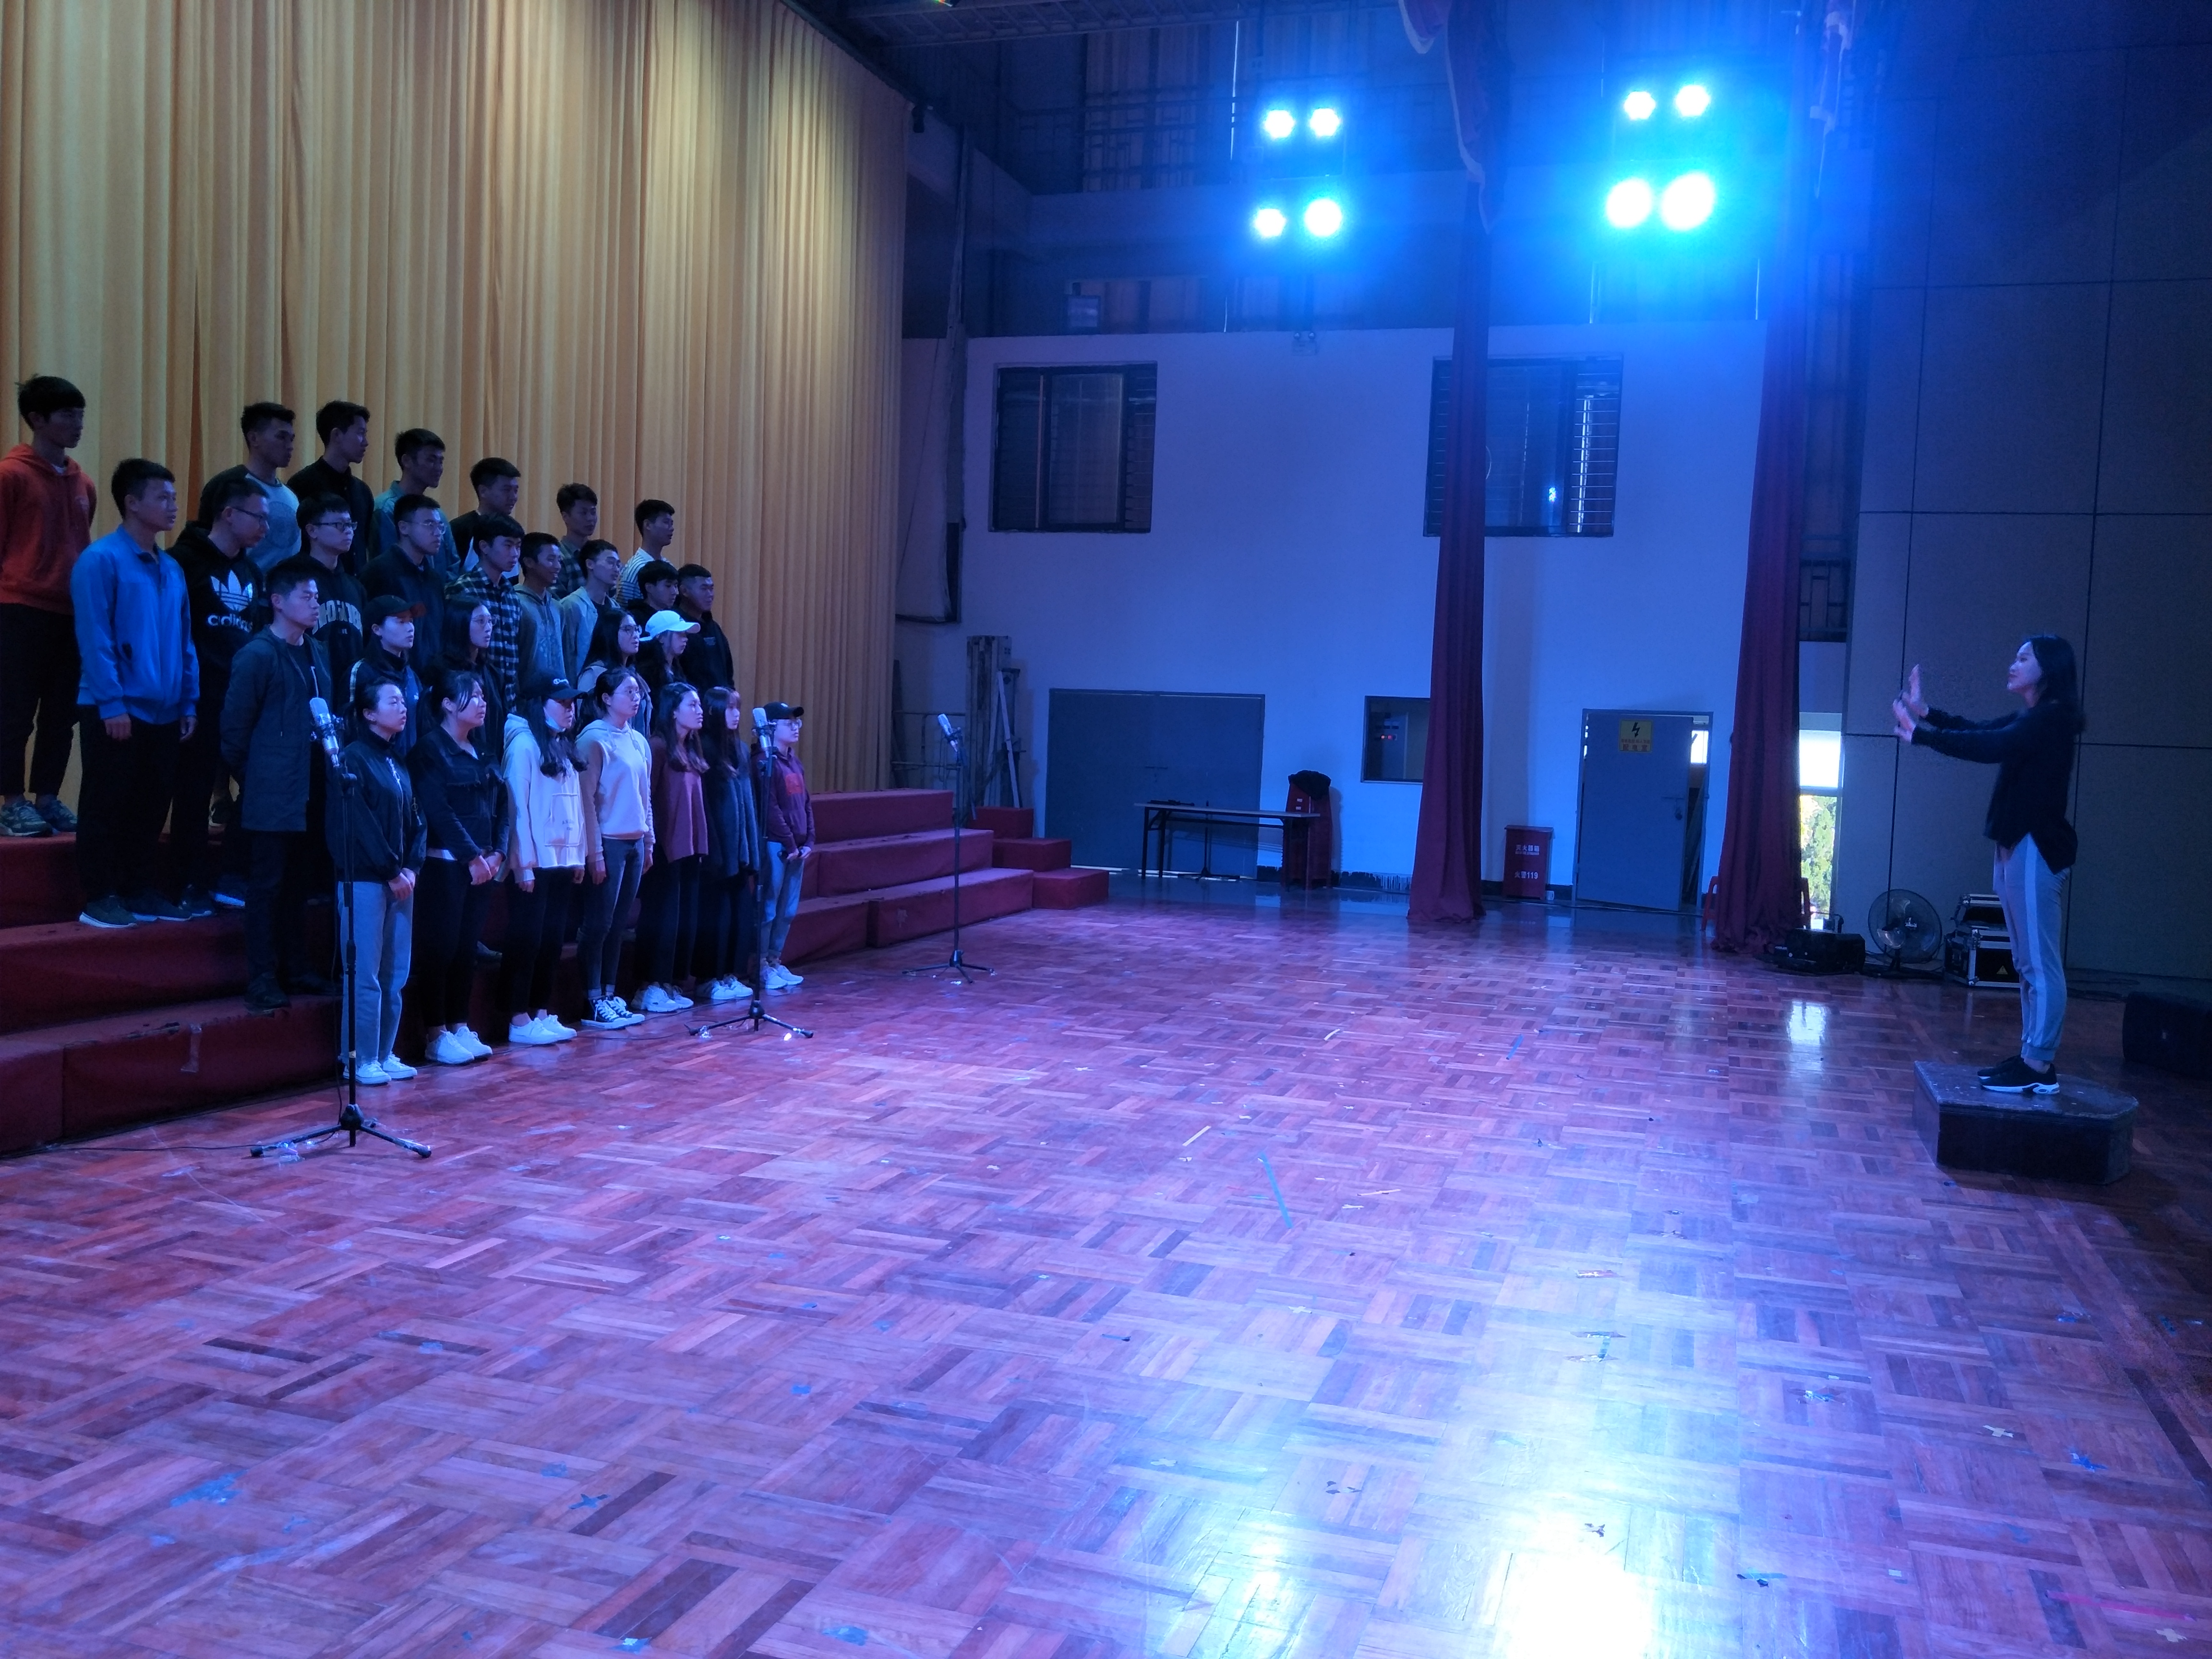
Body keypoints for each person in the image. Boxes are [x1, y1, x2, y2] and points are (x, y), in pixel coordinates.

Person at [1894, 640, 2085, 1095]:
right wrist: (1927, 713)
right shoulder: (2033, 717)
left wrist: (1923, 735)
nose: (2013, 664)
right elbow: (1981, 729)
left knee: (2040, 964)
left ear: (2048, 668)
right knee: (2025, 962)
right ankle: (2032, 1056)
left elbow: (1989, 745)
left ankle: (2039, 1064)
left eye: (2023, 658)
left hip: (2037, 845)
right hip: (2015, 844)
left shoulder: (2052, 718)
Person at [72, 459, 199, 929]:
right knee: (107, 803)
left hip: (165, 711)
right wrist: (112, 703)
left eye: (174, 498)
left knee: (150, 805)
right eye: (162, 498)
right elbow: (95, 638)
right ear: (132, 503)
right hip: (115, 708)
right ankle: (99, 895)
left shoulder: (173, 568)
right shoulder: (101, 560)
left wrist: (188, 700)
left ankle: (138, 888)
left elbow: (184, 640)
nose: (173, 506)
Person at [221, 558, 335, 1006]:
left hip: (313, 785)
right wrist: (257, 778)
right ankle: (262, 977)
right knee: (267, 885)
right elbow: (234, 731)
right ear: (278, 602)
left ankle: (297, 967)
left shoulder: (318, 651)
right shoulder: (257, 655)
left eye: (318, 597)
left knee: (300, 885)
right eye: (307, 597)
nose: (316, 604)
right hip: (272, 790)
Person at [1, 374, 99, 839]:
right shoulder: (11, 476)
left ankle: (47, 797)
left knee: (62, 715)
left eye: (80, 415)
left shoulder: (84, 484)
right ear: (37, 419)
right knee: (15, 710)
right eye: (67, 415)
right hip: (19, 608)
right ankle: (11, 802)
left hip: (70, 614)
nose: (78, 424)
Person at [168, 473, 267, 911]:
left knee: (258, 786)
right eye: (258, 517)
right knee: (192, 792)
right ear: (228, 514)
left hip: (241, 699)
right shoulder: (183, 563)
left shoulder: (252, 572)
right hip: (197, 695)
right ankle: (185, 882)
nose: (265, 527)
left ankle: (232, 876)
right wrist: (185, 696)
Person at [328, 674, 425, 1086]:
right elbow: (358, 825)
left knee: (394, 974)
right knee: (364, 975)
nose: (403, 708)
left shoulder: (397, 761)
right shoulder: (352, 759)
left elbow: (417, 820)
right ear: (369, 713)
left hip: (402, 881)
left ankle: (384, 1053)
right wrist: (390, 871)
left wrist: (412, 868)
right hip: (367, 881)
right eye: (393, 702)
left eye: (404, 702)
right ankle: (359, 1058)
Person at [409, 666, 506, 1065]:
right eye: (473, 696)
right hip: (446, 866)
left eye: (483, 696)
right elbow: (438, 811)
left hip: (484, 866)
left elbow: (504, 805)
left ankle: (459, 1024)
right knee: (441, 948)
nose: (483, 703)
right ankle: (436, 1033)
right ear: (448, 704)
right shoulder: (429, 750)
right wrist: (472, 856)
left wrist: (498, 852)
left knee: (467, 949)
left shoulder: (483, 750)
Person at [502, 676, 587, 1046]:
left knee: (552, 940)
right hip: (534, 860)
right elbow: (517, 806)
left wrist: (578, 854)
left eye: (572, 703)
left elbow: (575, 805)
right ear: (539, 704)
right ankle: (517, 1016)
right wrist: (522, 862)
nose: (570, 709)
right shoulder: (523, 744)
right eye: (562, 702)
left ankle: (540, 1010)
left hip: (562, 859)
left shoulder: (562, 743)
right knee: (528, 939)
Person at [576, 666, 654, 1031]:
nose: (636, 698)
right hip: (608, 841)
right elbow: (587, 801)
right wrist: (595, 853)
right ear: (607, 698)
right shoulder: (593, 739)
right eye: (629, 692)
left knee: (619, 923)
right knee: (599, 923)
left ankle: (609, 993)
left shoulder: (638, 740)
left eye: (638, 692)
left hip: (635, 841)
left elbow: (644, 796)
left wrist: (649, 840)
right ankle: (592, 999)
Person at [634, 682, 708, 1015]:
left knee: (682, 918)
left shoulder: (690, 748)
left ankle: (669, 983)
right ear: (673, 711)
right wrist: (649, 841)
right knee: (660, 916)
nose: (700, 711)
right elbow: (647, 797)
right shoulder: (658, 746)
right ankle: (650, 984)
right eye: (692, 705)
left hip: (689, 847)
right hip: (664, 846)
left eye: (699, 705)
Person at [696, 684, 761, 1003]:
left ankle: (731, 974)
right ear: (714, 711)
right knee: (716, 914)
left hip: (740, 848)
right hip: (718, 849)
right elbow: (709, 806)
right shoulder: (705, 748)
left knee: (739, 914)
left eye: (738, 708)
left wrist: (750, 848)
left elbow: (747, 802)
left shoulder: (740, 750)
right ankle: (710, 977)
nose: (736, 715)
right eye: (730, 708)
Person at [198, 401, 301, 576]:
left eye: (291, 439)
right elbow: (207, 545)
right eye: (281, 437)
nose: (290, 446)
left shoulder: (291, 496)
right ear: (254, 439)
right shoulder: (227, 486)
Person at [446, 511, 529, 712]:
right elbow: (453, 649)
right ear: (484, 547)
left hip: (509, 702)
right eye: (508, 545)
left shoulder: (511, 594)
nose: (515, 554)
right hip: (473, 698)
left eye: (518, 547)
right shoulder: (463, 589)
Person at [757, 700, 811, 990]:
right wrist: (790, 843)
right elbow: (772, 808)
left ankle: (776, 959)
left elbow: (806, 804)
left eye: (797, 722)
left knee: (787, 910)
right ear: (771, 728)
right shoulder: (765, 762)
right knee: (769, 909)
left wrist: (809, 839)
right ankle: (761, 965)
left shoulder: (795, 762)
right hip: (777, 846)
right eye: (788, 723)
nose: (795, 727)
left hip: (797, 848)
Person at [361, 493, 446, 675]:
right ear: (403, 527)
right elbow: (370, 632)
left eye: (440, 526)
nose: (437, 533)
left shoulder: (435, 579)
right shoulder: (380, 572)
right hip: (392, 677)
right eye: (429, 525)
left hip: (433, 679)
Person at [286, 400, 374, 572]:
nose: (366, 442)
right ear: (337, 435)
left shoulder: (362, 491)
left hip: (353, 584)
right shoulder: (302, 484)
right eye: (360, 433)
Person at [298, 493, 366, 697]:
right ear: (312, 530)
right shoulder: (294, 578)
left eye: (350, 525)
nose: (348, 531)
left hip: (351, 694)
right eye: (339, 525)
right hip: (309, 690)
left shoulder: (356, 587)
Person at [372, 428, 457, 577]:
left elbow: (454, 566)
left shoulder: (438, 515)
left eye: (441, 461)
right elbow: (386, 566)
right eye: (431, 460)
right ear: (407, 461)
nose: (439, 468)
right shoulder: (386, 509)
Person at [436, 600, 509, 767]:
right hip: (455, 766)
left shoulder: (493, 674)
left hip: (490, 763)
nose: (489, 628)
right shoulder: (441, 674)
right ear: (460, 624)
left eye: (490, 621)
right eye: (481, 621)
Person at [352, 595, 423, 763]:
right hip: (374, 769)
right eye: (401, 621)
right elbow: (351, 729)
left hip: (410, 770)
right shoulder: (361, 672)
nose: (411, 628)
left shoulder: (412, 676)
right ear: (377, 629)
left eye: (411, 621)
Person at [559, 539, 621, 682]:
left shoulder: (615, 608)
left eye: (618, 565)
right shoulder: (571, 605)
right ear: (590, 564)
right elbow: (567, 657)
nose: (616, 569)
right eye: (611, 563)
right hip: (582, 684)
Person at [514, 532, 569, 690]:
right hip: (526, 695)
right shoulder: (516, 602)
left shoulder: (558, 607)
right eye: (551, 560)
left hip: (558, 695)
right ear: (529, 562)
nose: (558, 566)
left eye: (559, 560)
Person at [578, 607, 645, 725]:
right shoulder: (593, 674)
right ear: (610, 633)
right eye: (628, 629)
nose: (636, 635)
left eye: (636, 629)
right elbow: (585, 719)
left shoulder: (633, 674)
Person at [675, 565, 734, 693]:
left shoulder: (714, 628)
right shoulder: (675, 628)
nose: (710, 595)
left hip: (721, 702)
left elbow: (728, 672)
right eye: (704, 589)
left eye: (712, 589)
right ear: (684, 591)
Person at [448, 457, 520, 558]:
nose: (514, 497)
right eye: (506, 490)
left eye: (516, 491)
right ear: (483, 491)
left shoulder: (514, 530)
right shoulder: (459, 530)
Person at [618, 499, 676, 604]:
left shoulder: (667, 565)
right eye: (666, 522)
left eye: (672, 524)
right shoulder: (636, 569)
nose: (672, 528)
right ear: (648, 525)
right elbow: (624, 608)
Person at [639, 608, 697, 705]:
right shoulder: (647, 674)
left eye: (685, 634)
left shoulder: (678, 670)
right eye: (679, 633)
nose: (686, 639)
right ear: (661, 637)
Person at [554, 483, 599, 597]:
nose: (590, 518)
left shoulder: (599, 555)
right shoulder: (558, 558)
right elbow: (558, 602)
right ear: (566, 517)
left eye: (593, 512)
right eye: (583, 513)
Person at [625, 559, 680, 630]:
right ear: (649, 588)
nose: (675, 592)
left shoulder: (676, 615)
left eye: (675, 586)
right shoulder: (633, 619)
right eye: (668, 586)